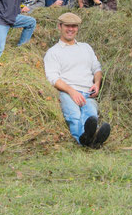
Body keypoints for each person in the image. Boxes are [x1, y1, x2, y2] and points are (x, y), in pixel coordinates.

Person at [44, 13, 111, 148]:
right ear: (59, 27)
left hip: (88, 92)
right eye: (67, 26)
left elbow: (96, 68)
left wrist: (97, 83)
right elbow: (53, 78)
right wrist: (71, 91)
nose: (71, 29)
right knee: (74, 115)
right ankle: (85, 140)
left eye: (74, 26)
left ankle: (93, 139)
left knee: (91, 115)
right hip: (67, 92)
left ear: (77, 28)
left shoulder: (86, 48)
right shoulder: (53, 52)